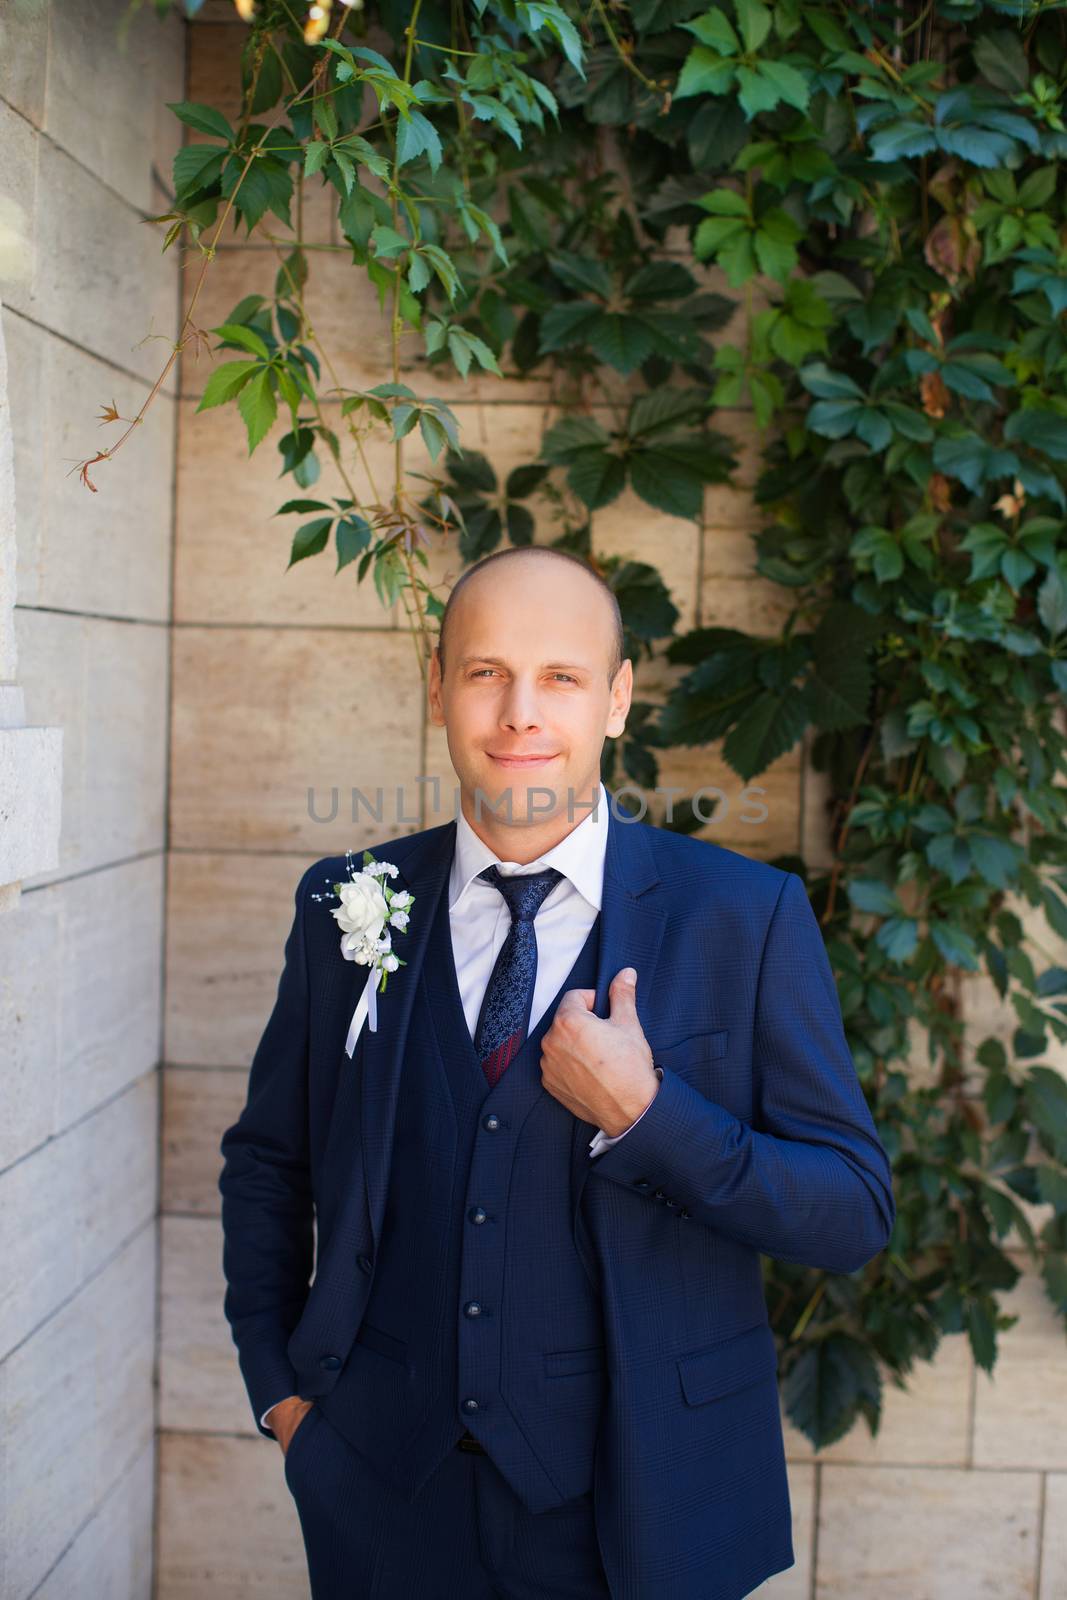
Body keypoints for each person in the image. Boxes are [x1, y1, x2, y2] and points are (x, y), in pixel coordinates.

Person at [218, 545, 894, 1600]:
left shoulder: (743, 919)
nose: (519, 712)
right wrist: (282, 1398)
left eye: (561, 678)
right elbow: (268, 1159)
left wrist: (651, 1115)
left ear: (616, 700)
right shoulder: (344, 905)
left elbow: (851, 1211)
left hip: (640, 1512)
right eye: (486, 671)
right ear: (437, 685)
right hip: (381, 1493)